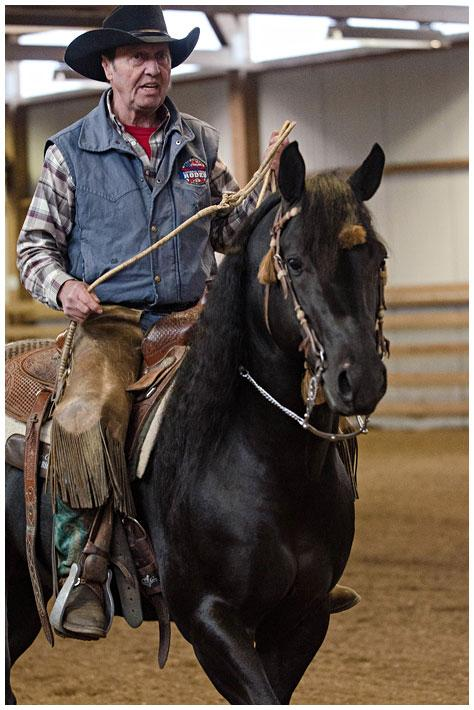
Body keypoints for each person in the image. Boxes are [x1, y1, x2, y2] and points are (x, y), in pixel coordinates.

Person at [17, 5, 359, 641]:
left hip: (197, 318)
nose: (153, 68)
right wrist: (62, 286)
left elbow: (231, 230)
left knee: (290, 387)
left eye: (163, 57)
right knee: (84, 417)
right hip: (109, 324)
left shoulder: (198, 143)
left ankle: (307, 551)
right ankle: (85, 565)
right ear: (108, 68)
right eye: (138, 57)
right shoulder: (68, 153)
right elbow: (34, 249)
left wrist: (267, 191)